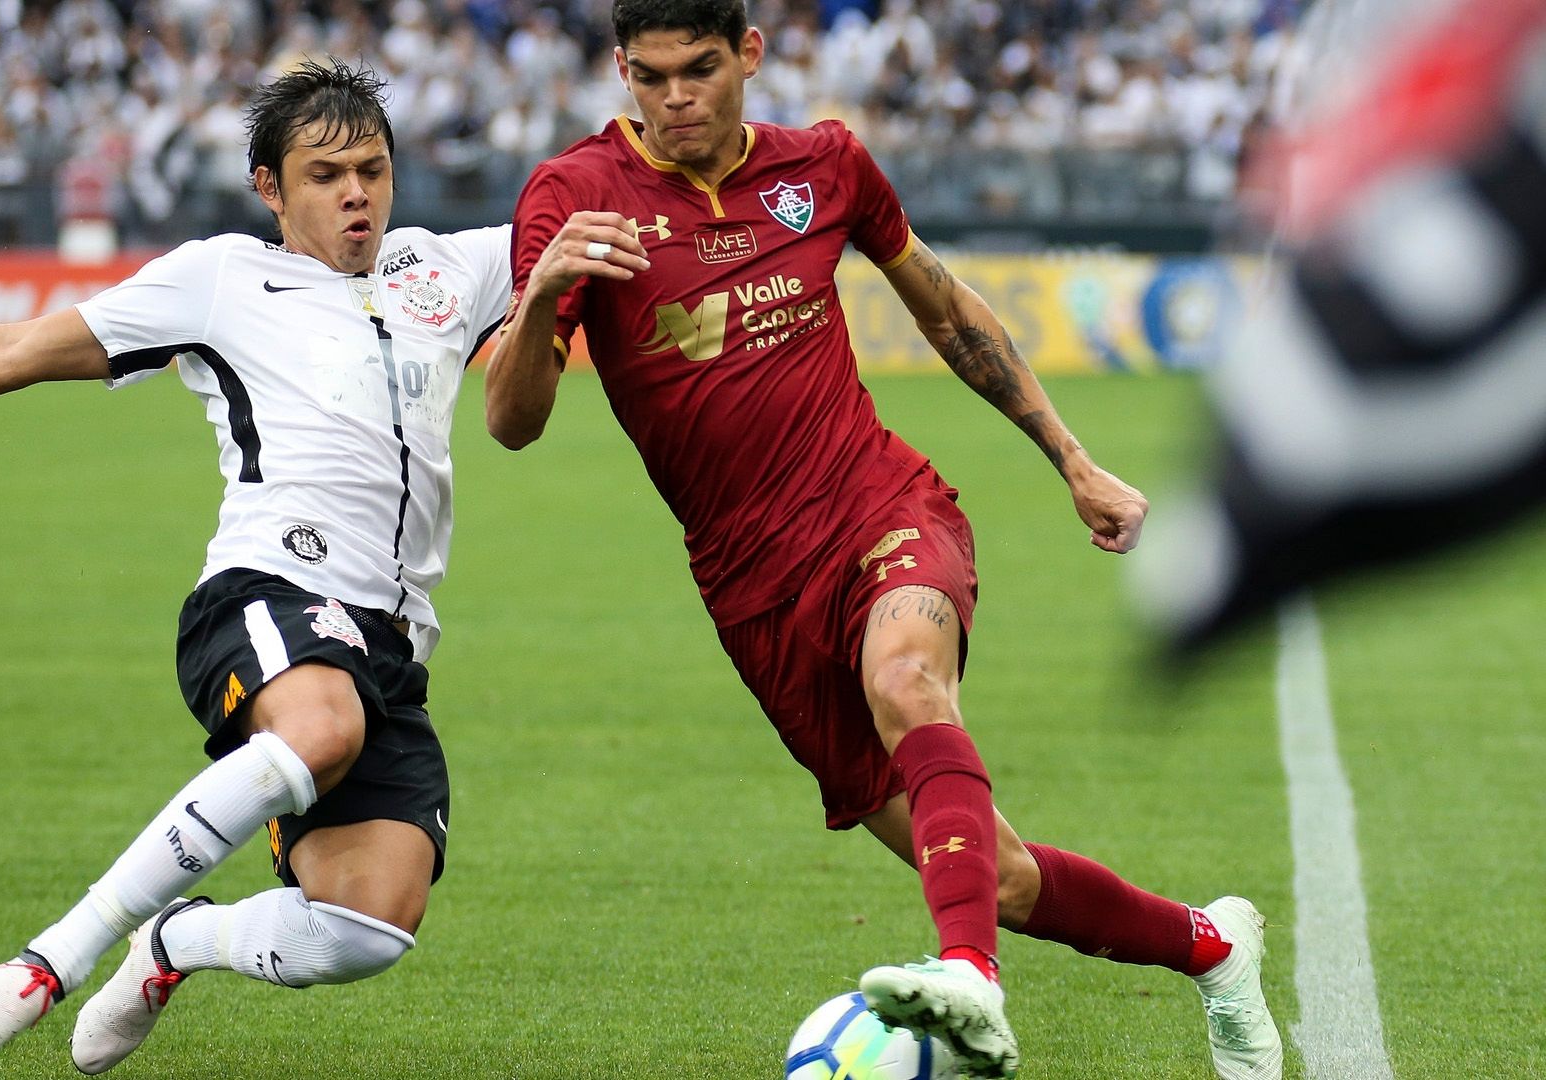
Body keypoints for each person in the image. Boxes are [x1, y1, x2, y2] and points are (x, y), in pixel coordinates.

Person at [485, 3, 1281, 1077]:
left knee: (910, 678)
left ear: (750, 55)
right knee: (993, 878)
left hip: (878, 505)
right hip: (751, 588)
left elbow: (948, 313)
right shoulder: (576, 195)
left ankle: (973, 981)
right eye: (653, 76)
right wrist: (539, 301)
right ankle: (1215, 948)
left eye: (702, 71)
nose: (677, 99)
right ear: (623, 69)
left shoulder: (827, 166)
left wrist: (1074, 461)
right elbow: (512, 423)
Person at [0, 59, 510, 1076]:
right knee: (323, 728)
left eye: (373, 171)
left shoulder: (453, 269)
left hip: (389, 640)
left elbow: (615, 219)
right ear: (269, 187)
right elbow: (16, 350)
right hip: (269, 594)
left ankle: (176, 943)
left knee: (372, 923)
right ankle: (49, 961)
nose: (355, 195)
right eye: (326, 174)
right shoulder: (219, 278)